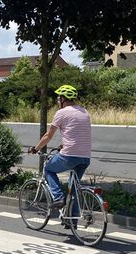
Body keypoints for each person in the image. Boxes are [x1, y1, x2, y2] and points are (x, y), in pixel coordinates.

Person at [28, 84, 92, 222]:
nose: (58, 101)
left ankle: (58, 198)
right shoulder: (85, 112)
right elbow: (78, 133)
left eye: (58, 98)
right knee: (73, 188)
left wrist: (36, 148)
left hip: (69, 156)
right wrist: (64, 143)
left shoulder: (62, 113)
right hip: (85, 157)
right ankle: (72, 220)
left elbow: (48, 136)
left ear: (63, 99)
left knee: (49, 169)